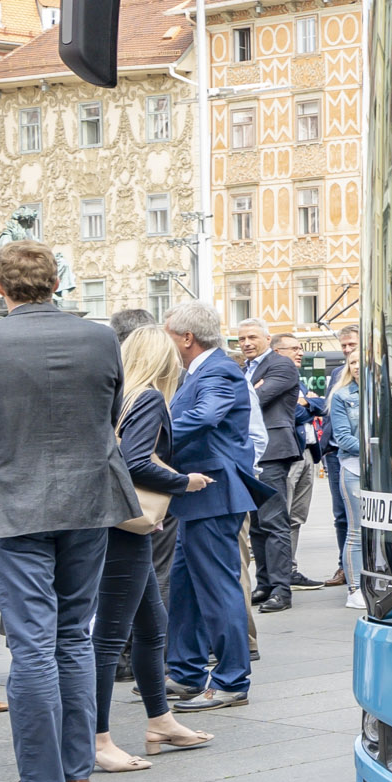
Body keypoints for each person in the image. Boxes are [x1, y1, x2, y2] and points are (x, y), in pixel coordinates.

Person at [0, 243, 138, 782]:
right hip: (89, 498)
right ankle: (75, 775)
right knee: (74, 635)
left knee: (32, 643)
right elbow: (111, 413)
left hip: (13, 501)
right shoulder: (100, 336)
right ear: (56, 283)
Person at [98, 326, 211, 766]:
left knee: (151, 625)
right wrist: (185, 481)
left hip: (120, 524)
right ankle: (98, 739)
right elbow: (137, 462)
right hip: (123, 529)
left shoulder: (120, 396)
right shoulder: (148, 398)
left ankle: (160, 720)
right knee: (109, 637)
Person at [161, 302, 264, 708]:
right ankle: (185, 673)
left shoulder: (217, 369)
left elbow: (205, 417)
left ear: (187, 338)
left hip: (213, 493)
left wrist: (151, 434)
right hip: (198, 496)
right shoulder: (201, 370)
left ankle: (231, 681)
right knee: (185, 587)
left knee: (219, 589)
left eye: (169, 335)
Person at [238, 321, 307, 609]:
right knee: (256, 525)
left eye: (252, 337)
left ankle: (282, 589)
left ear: (268, 338)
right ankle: (265, 584)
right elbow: (248, 395)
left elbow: (252, 399)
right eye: (241, 338)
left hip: (273, 451)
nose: (246, 342)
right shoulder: (245, 370)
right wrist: (252, 388)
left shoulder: (282, 365)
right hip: (250, 452)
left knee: (274, 521)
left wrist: (252, 390)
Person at [326, 328, 363, 609]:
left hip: (383, 471)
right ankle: (355, 588)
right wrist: (376, 449)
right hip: (354, 468)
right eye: (352, 362)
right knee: (355, 530)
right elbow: (343, 438)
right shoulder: (341, 396)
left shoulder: (390, 391)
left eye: (361, 360)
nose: (357, 366)